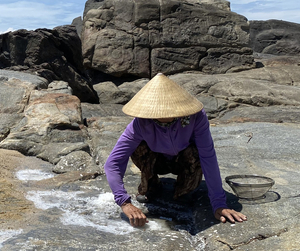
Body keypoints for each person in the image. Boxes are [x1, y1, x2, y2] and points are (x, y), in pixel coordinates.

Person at [105, 73, 247, 228]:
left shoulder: (196, 117)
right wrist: (124, 202)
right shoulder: (141, 123)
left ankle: (182, 189)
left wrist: (219, 203)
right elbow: (113, 163)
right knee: (138, 147)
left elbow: (208, 156)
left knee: (184, 193)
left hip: (184, 161)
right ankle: (152, 184)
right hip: (156, 160)